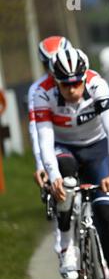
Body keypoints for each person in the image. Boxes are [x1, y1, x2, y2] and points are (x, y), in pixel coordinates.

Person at [33, 47, 109, 279]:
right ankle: (66, 246)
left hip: (97, 148)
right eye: (65, 85)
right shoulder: (42, 93)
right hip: (64, 148)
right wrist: (53, 177)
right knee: (65, 182)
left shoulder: (97, 85)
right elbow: (44, 139)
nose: (72, 89)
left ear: (85, 78)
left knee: (105, 211)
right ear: (55, 82)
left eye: (76, 83)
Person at [28, 36, 72, 255]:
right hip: (54, 145)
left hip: (83, 142)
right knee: (60, 189)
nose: (54, 68)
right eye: (48, 65)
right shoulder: (37, 90)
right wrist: (41, 165)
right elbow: (36, 131)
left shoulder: (80, 78)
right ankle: (63, 239)